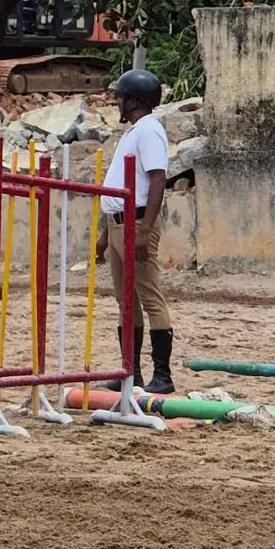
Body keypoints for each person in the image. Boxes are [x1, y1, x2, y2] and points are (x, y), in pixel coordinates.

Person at [95, 68, 175, 394]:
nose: (117, 102)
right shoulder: (133, 132)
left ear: (134, 100)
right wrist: (105, 232)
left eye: (121, 97)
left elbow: (158, 179)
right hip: (118, 223)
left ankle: (162, 375)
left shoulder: (149, 131)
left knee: (149, 297)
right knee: (125, 300)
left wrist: (143, 230)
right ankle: (131, 372)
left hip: (136, 221)